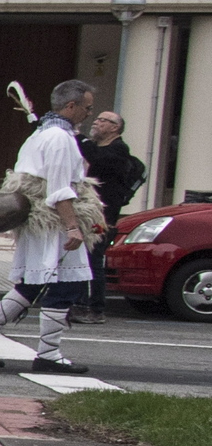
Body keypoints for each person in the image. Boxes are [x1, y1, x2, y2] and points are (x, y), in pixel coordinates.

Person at [0, 80, 98, 370]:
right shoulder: (59, 138)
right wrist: (73, 227)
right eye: (86, 108)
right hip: (53, 222)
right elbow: (60, 189)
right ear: (70, 106)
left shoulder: (42, 134)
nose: (89, 113)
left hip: (38, 220)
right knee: (64, 287)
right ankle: (48, 355)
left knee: (32, 285)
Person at [81, 107, 148, 323]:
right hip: (87, 212)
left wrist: (78, 138)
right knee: (82, 259)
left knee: (94, 260)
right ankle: (78, 304)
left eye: (103, 120)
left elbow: (97, 158)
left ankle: (96, 309)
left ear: (115, 128)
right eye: (97, 119)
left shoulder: (118, 150)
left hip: (103, 217)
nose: (96, 122)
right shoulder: (100, 148)